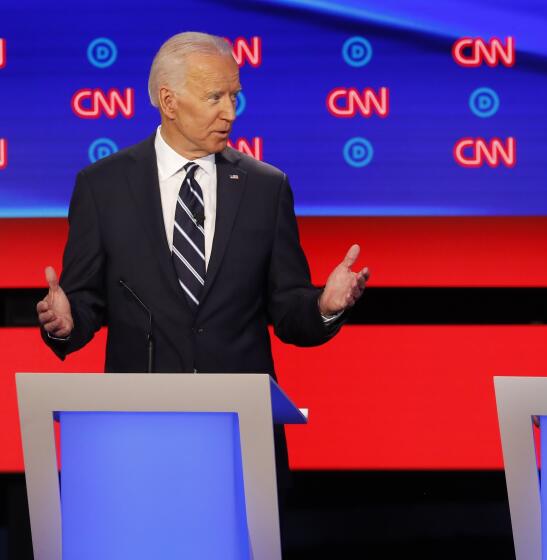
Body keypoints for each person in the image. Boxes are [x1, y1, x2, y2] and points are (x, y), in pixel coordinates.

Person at [35, 31, 369, 538]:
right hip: (137, 442)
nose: (230, 111)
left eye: (234, 95)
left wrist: (324, 304)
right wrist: (64, 322)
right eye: (215, 96)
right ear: (169, 101)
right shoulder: (102, 186)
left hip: (240, 443)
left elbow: (289, 312)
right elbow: (85, 302)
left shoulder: (265, 187)